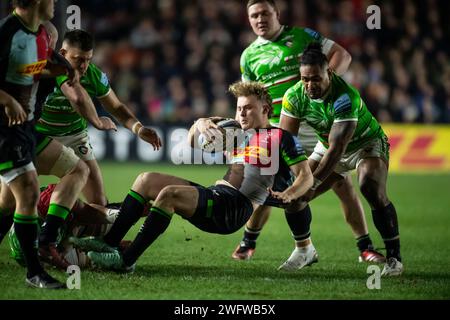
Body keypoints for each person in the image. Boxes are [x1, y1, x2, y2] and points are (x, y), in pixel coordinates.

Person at [70, 81, 315, 272]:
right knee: (146, 179)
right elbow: (191, 143)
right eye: (239, 108)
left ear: (265, 109)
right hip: (216, 194)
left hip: (233, 208)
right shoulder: (234, 131)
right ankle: (110, 241)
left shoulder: (280, 138)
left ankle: (126, 260)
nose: (241, 114)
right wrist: (200, 122)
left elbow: (305, 176)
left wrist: (290, 193)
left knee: (169, 195)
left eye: (248, 108)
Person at [232, 0, 384, 265]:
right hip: (279, 128)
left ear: (277, 13)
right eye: (254, 15)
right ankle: (251, 241)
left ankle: (365, 247)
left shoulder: (303, 36)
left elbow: (342, 55)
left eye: (265, 13)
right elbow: (249, 96)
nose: (259, 19)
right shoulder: (248, 55)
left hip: (314, 124)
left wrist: (324, 86)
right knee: (269, 184)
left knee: (341, 182)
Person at [279, 42, 403, 276]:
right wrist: (287, 180)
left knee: (370, 187)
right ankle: (304, 251)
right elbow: (286, 140)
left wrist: (312, 183)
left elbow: (338, 149)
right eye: (305, 79)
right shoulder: (294, 96)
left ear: (330, 72)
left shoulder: (345, 97)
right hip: (326, 146)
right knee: (295, 198)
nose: (309, 85)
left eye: (315, 79)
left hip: (366, 143)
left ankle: (394, 258)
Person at [0, 20, 93, 270]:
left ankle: (42, 248)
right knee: (78, 170)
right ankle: (46, 242)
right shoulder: (38, 60)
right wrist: (97, 120)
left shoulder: (38, 60)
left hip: (21, 132)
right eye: (45, 43)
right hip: (11, 132)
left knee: (8, 201)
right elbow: (76, 95)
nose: (46, 48)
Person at [35, 29, 162, 206]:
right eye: (78, 59)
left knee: (99, 202)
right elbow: (77, 98)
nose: (83, 66)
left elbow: (116, 107)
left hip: (75, 137)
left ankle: (70, 228)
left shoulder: (94, 75)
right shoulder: (47, 69)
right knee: (13, 197)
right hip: (40, 135)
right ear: (63, 53)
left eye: (88, 59)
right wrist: (98, 122)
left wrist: (138, 128)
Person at [8, 184, 148, 269]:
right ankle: (110, 248)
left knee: (110, 226)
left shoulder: (58, 197)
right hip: (42, 251)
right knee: (97, 259)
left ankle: (109, 242)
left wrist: (123, 213)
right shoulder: (48, 201)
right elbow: (86, 212)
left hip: (53, 237)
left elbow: (86, 212)